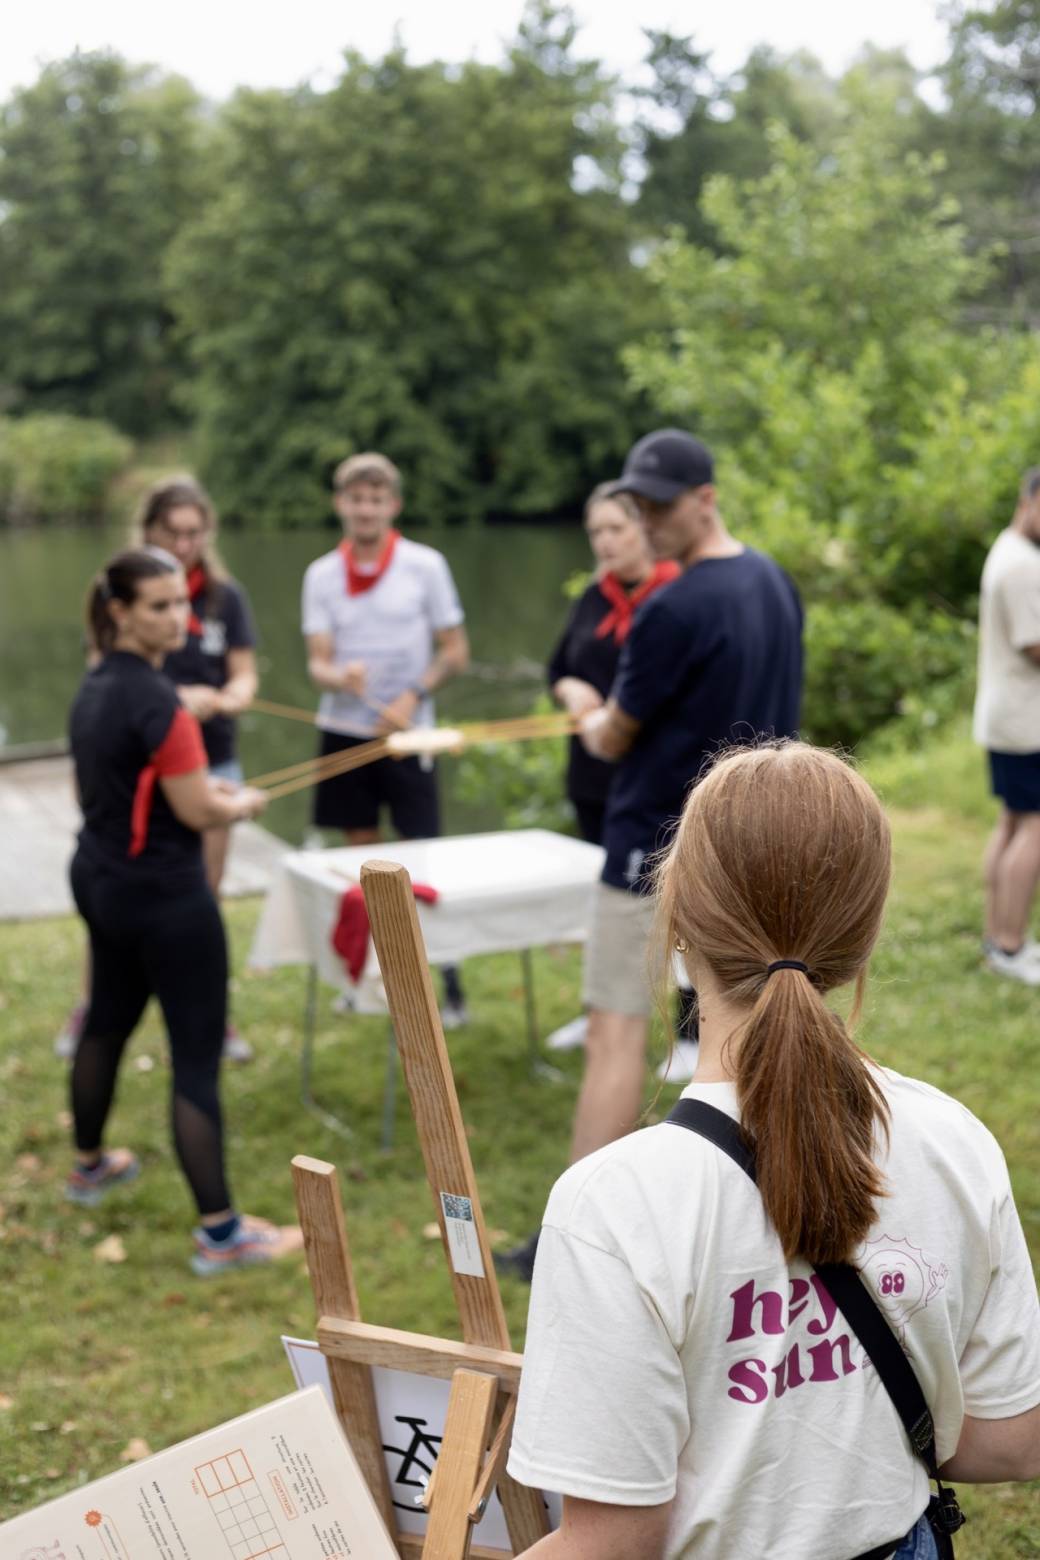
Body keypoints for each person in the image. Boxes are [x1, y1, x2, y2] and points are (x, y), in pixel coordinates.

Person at [509, 742, 1040, 1559]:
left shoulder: (615, 1205)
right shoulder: (952, 1139)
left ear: (676, 919)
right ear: (864, 934)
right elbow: (1010, 1440)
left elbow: (614, 1542)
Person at [496, 430, 802, 1284]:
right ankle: (768, 1209)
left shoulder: (672, 607)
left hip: (651, 846)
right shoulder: (773, 582)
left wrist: (585, 708)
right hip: (748, 838)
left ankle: (571, 1243)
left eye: (661, 505)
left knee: (614, 1030)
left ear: (706, 498)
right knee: (747, 1024)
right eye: (638, 504)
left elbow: (612, 736)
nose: (648, 519)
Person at [65, 547, 301, 1276]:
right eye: (160, 606)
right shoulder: (162, 704)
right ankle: (222, 1235)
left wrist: (210, 796)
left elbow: (119, 790)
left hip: (102, 880)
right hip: (165, 899)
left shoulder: (95, 685)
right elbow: (198, 809)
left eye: (182, 603)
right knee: (195, 1058)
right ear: (121, 612)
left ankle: (89, 1167)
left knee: (106, 1021)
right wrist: (241, 803)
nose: (179, 619)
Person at [56, 475, 260, 1062]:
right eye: (172, 532)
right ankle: (94, 1005)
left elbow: (244, 673)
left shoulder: (226, 597)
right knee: (119, 889)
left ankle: (208, 1017)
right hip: (140, 757)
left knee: (202, 895)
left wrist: (229, 697)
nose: (184, 544)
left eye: (195, 533)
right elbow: (108, 674)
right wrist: (175, 701)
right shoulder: (123, 588)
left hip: (211, 753)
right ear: (147, 530)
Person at [301, 451, 471, 1024]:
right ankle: (369, 978)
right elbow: (317, 663)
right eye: (356, 499)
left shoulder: (425, 565)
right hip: (345, 730)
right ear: (340, 504)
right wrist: (338, 677)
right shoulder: (321, 574)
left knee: (423, 855)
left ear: (393, 505)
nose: (366, 509)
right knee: (361, 860)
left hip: (410, 734)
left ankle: (449, 986)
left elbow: (456, 652)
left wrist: (411, 697)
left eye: (376, 499)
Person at [543, 484, 689, 1062]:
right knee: (605, 898)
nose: (605, 542)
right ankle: (599, 1012)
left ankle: (691, 1029)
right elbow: (558, 668)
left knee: (681, 903)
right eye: (595, 532)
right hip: (593, 777)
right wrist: (571, 690)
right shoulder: (593, 598)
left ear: (644, 530)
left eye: (616, 529)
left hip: (657, 781)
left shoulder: (677, 596)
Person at [974, 465, 1040, 985]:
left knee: (1014, 822)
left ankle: (999, 938)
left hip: (1006, 717)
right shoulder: (1023, 566)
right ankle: (1011, 946)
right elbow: (1034, 645)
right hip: (1026, 721)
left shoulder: (1007, 549)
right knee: (1033, 827)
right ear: (1030, 501)